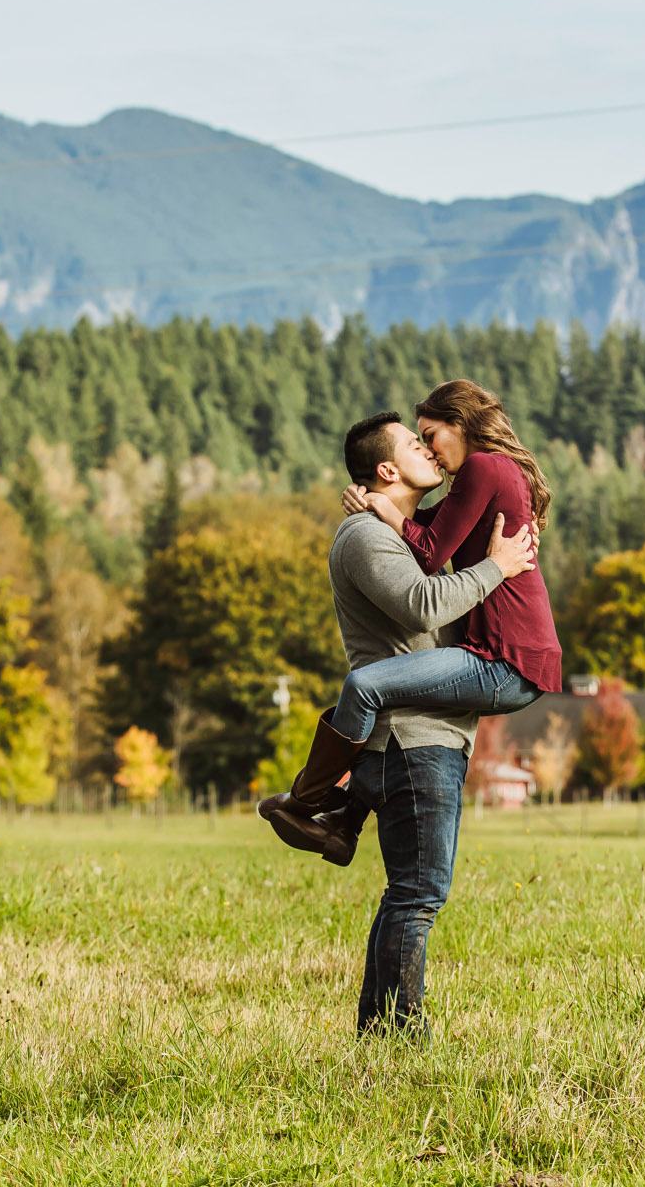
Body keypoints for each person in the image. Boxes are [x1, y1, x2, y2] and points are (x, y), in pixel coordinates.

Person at [256, 406, 536, 1036]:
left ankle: (379, 1031)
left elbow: (438, 570)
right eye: (416, 443)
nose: (431, 452)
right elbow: (419, 608)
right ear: (387, 468)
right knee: (420, 893)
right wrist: (496, 568)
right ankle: (402, 1034)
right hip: (413, 738)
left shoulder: (400, 531)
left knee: (406, 890)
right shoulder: (365, 536)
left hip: (417, 735)